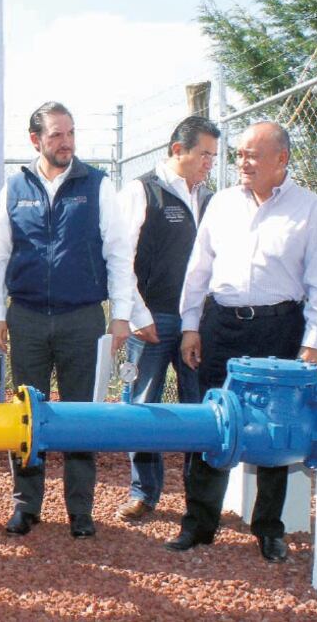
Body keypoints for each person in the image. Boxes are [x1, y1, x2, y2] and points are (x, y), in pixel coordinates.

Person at [167, 121, 317, 563]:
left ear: (281, 160)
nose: (243, 162)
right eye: (239, 154)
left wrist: (313, 343)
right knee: (211, 424)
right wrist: (191, 324)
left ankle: (268, 529)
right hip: (222, 326)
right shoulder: (221, 205)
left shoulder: (309, 210)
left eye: (253, 154)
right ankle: (198, 524)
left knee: (277, 431)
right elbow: (199, 268)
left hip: (279, 328)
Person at [0, 101, 133, 538]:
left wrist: (120, 315)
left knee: (81, 417)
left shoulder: (98, 185)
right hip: (26, 317)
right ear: (36, 140)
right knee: (25, 416)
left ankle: (80, 511)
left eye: (70, 133)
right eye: (56, 135)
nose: (66, 142)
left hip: (82, 319)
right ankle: (26, 507)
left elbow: (119, 253)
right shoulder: (14, 188)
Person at [115, 116, 219, 522]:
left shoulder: (209, 199)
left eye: (213, 154)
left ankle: (199, 497)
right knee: (144, 407)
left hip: (196, 322)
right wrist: (137, 315)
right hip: (152, 320)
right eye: (204, 153)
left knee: (199, 407)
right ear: (178, 150)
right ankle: (144, 493)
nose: (210, 161)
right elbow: (121, 259)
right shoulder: (142, 191)